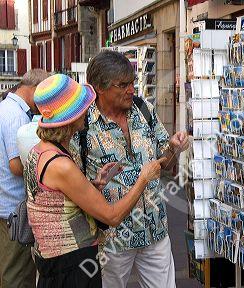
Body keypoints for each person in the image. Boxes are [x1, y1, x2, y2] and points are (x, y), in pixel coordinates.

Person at [24, 74, 165, 288]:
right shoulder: (60, 164)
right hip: (71, 266)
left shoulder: (40, 150)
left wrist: (93, 186)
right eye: (83, 106)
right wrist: (143, 179)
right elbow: (113, 216)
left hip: (55, 262)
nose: (88, 110)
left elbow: (58, 202)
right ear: (70, 116)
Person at [72, 50, 188, 288]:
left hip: (154, 228)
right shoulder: (82, 126)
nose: (131, 90)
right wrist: (94, 185)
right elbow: (74, 185)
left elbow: (163, 163)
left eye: (132, 83)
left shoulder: (143, 110)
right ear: (99, 88)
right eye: (123, 85)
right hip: (111, 239)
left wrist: (174, 148)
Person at [0, 68, 49, 288]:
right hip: (14, 211)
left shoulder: (5, 109)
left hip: (7, 207)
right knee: (18, 277)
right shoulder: (15, 115)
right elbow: (16, 166)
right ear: (35, 90)